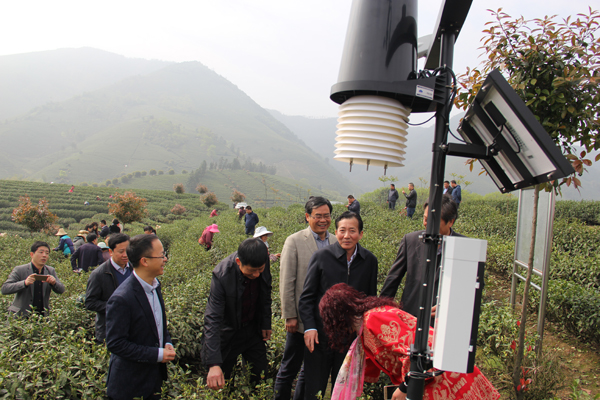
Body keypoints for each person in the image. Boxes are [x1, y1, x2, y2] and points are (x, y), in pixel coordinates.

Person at [319, 283, 500, 400]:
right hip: (440, 370)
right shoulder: (372, 318)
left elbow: (412, 351)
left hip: (438, 375)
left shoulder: (373, 320)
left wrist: (405, 387)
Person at [298, 211, 378, 400]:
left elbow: (370, 299)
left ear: (361, 234)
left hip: (350, 338)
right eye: (342, 230)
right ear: (336, 232)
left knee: (344, 391)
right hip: (320, 335)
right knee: (314, 389)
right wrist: (309, 327)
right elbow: (307, 297)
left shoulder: (369, 261)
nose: (347, 236)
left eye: (352, 231)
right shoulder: (321, 257)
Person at [274, 196, 338, 400]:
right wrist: (290, 315)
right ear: (307, 217)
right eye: (318, 216)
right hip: (301, 318)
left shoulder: (336, 241)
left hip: (323, 320)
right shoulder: (294, 241)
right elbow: (287, 280)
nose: (323, 220)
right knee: (290, 366)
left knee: (309, 368)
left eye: (327, 216)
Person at [105, 234, 175, 399]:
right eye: (161, 255)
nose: (165, 259)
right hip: (130, 385)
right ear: (145, 261)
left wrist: (166, 342)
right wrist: (157, 354)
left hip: (153, 379)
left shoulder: (155, 286)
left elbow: (158, 324)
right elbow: (116, 343)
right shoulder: (122, 298)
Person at [202, 238, 272, 391]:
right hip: (229, 333)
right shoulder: (222, 275)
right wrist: (213, 363)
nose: (257, 274)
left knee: (260, 377)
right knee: (224, 383)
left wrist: (266, 322)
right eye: (252, 271)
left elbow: (266, 292)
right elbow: (213, 318)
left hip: (252, 330)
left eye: (260, 269)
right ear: (239, 262)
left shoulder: (262, 262)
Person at [380, 195, 463, 321]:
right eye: (425, 219)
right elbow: (393, 279)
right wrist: (380, 310)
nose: (426, 224)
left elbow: (471, 292)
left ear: (451, 222)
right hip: (411, 317)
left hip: (445, 321)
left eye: (433, 221)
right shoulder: (411, 241)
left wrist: (449, 306)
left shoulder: (464, 248)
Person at [85, 233, 131, 343]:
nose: (125, 255)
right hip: (109, 329)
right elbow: (90, 302)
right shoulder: (99, 274)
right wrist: (115, 307)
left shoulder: (134, 270)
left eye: (128, 251)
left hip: (131, 328)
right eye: (121, 251)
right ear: (111, 252)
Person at [1, 241, 65, 317]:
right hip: (21, 317)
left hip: (42, 317)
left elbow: (61, 290)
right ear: (32, 254)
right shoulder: (20, 270)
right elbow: (5, 289)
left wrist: (54, 283)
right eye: (41, 252)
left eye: (47, 253)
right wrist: (24, 283)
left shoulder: (50, 271)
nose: (44, 255)